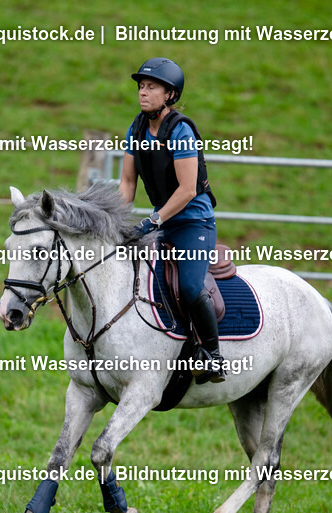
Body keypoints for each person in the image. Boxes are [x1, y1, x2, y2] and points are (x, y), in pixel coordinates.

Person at [118, 57, 226, 384]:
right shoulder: (136, 129)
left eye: (152, 87)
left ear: (170, 95)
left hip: (193, 223)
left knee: (191, 288)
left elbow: (188, 189)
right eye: (141, 86)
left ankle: (212, 355)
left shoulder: (180, 131)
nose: (143, 92)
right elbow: (127, 183)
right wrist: (119, 223)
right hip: (163, 223)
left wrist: (151, 221)